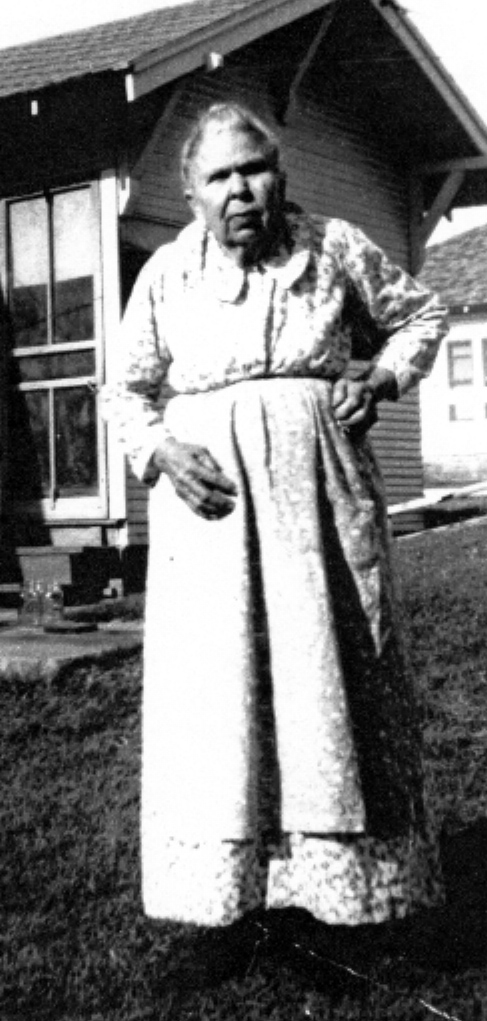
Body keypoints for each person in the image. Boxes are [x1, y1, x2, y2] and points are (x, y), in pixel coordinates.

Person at [102, 103, 448, 948]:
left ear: (279, 175)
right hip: (211, 522)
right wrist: (162, 451)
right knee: (219, 693)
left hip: (319, 511)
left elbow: (421, 315)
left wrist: (381, 377)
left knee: (329, 680)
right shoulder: (168, 275)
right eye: (218, 176)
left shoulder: (333, 248)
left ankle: (342, 906)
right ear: (191, 193)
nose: (240, 190)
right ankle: (225, 911)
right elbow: (125, 391)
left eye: (253, 169)